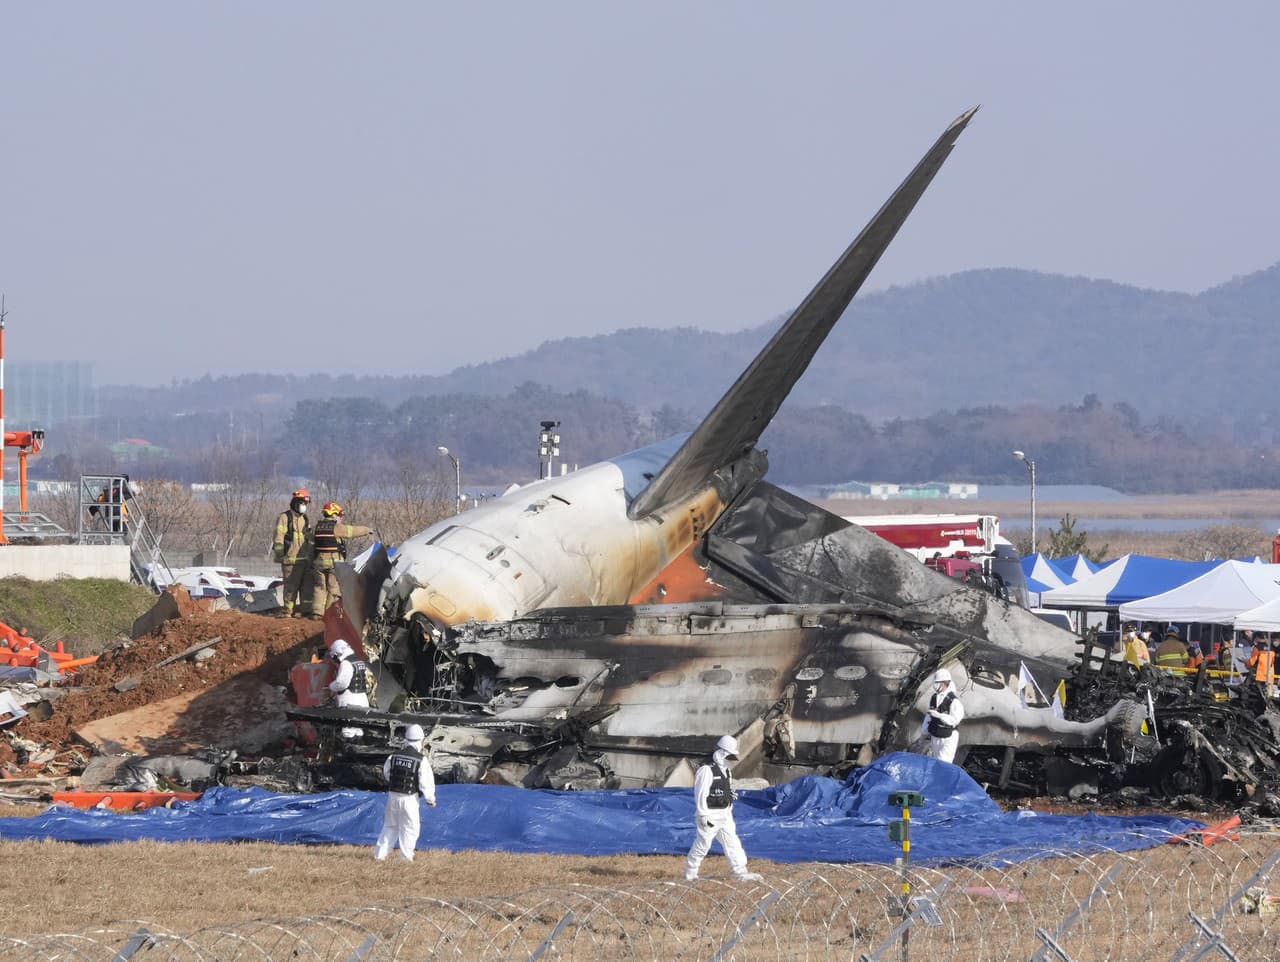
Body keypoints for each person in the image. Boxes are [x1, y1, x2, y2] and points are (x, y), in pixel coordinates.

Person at [683, 735, 763, 882]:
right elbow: (700, 793)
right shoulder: (707, 770)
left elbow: (726, 788)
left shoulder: (726, 771)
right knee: (702, 845)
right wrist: (703, 815)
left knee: (733, 842)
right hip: (710, 815)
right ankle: (690, 874)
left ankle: (740, 872)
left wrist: (729, 800)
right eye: (728, 755)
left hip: (725, 814)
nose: (730, 760)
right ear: (721, 753)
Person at [373, 723, 436, 862]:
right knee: (410, 828)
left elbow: (387, 773)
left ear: (406, 739)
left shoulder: (393, 756)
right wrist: (430, 799)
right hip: (409, 798)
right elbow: (425, 781)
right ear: (421, 740)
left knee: (390, 826)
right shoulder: (421, 759)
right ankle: (405, 858)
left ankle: (379, 856)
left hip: (393, 796)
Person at [311, 502, 373, 616]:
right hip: (332, 564)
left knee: (320, 587)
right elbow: (351, 531)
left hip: (318, 563)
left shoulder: (317, 527)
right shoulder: (336, 527)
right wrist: (366, 530)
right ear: (333, 515)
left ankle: (316, 613)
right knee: (333, 589)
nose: (341, 518)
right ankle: (329, 614)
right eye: (339, 515)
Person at [272, 489, 313, 618]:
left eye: (305, 504)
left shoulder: (305, 519)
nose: (304, 506)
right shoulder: (285, 517)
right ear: (295, 502)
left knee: (307, 588)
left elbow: (309, 539)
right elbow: (278, 538)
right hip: (290, 560)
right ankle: (287, 611)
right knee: (291, 587)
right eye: (302, 503)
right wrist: (280, 557)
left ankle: (305, 611)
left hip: (304, 561)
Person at [327, 638, 372, 739]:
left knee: (348, 731)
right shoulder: (358, 661)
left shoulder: (346, 663)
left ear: (339, 652)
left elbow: (341, 683)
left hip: (350, 701)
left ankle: (348, 751)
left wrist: (330, 686)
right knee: (359, 730)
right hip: (362, 699)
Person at [920, 668, 965, 764]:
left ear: (944, 683)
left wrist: (940, 716)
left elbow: (955, 720)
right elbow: (928, 717)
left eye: (937, 683)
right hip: (936, 736)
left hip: (948, 738)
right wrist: (923, 734)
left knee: (943, 764)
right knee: (936, 761)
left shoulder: (954, 701)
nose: (935, 685)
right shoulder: (934, 698)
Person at [1244, 635, 1276, 713]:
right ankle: (1270, 710)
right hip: (1269, 675)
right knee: (1269, 694)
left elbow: (1251, 662)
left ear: (1257, 638)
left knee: (1260, 694)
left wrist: (1246, 663)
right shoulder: (1272, 648)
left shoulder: (1257, 647)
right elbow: (1272, 662)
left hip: (1260, 675)